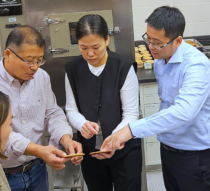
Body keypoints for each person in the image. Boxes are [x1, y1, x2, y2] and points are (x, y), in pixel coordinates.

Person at [102, 6, 210, 191]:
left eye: (157, 42)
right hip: (169, 148)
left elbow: (183, 111)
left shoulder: (196, 66)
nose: (150, 46)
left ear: (178, 41)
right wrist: (206, 118)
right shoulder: (160, 59)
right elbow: (172, 103)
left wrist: (130, 130)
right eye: (147, 39)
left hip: (194, 156)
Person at [0, 26, 83, 191]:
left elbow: (52, 113)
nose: (35, 67)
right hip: (1, 173)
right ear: (8, 54)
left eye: (39, 60)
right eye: (29, 60)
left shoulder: (41, 77)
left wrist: (66, 139)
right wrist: (38, 150)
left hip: (37, 169)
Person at [65, 14, 142, 191]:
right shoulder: (72, 69)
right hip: (91, 152)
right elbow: (71, 110)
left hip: (125, 151)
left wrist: (113, 140)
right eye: (83, 47)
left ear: (107, 40)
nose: (90, 53)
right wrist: (82, 123)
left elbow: (131, 114)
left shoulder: (123, 67)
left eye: (96, 47)